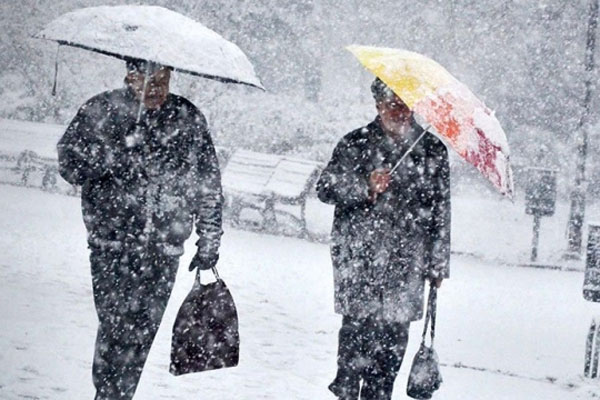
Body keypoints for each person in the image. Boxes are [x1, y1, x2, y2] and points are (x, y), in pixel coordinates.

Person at [57, 59, 224, 400]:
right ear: (130, 76)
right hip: (111, 243)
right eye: (148, 80)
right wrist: (113, 156)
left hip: (164, 247)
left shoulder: (187, 118)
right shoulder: (101, 109)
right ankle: (109, 394)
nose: (156, 89)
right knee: (115, 329)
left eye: (163, 80)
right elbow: (68, 164)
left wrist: (210, 240)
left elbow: (208, 184)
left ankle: (118, 395)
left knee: (142, 333)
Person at [316, 78, 451, 400]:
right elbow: (326, 188)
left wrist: (438, 263)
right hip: (359, 258)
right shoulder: (355, 143)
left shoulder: (432, 151)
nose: (399, 111)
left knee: (391, 346)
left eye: (405, 103)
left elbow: (441, 212)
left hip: (408, 263)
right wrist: (365, 186)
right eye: (392, 103)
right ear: (377, 104)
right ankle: (347, 391)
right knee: (354, 340)